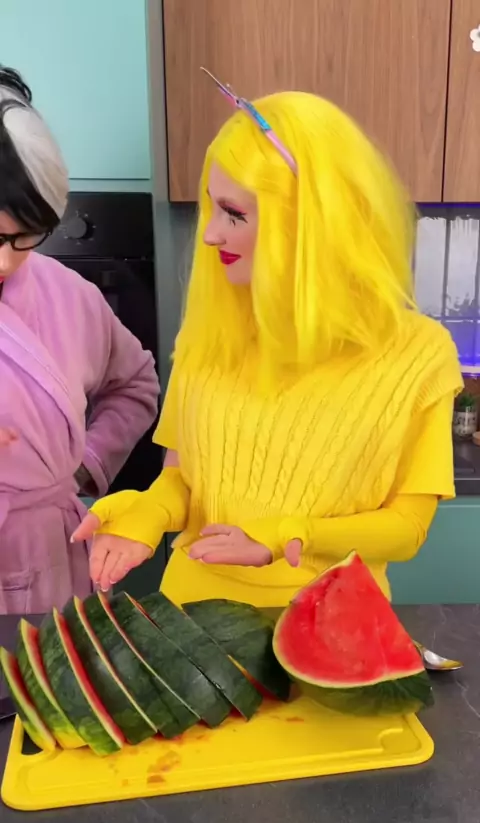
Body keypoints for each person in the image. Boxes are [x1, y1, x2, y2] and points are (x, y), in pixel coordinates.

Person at [73, 79, 463, 609]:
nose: (210, 234)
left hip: (332, 619)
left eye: (233, 213)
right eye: (212, 209)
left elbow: (407, 528)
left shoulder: (420, 356)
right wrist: (149, 512)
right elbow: (183, 480)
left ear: (311, 224)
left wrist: (289, 534)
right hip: (191, 617)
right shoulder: (206, 334)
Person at [0, 66, 160, 614]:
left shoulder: (70, 295)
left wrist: (86, 462)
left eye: (26, 237)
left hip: (50, 557)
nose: (6, 261)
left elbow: (136, 384)